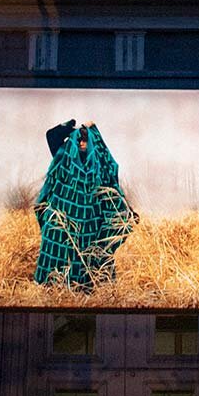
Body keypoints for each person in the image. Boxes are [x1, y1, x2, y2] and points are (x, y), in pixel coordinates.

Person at [34, 120, 138, 288]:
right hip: (63, 224)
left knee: (90, 262)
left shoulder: (99, 166)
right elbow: (51, 136)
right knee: (62, 259)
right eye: (79, 140)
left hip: (91, 225)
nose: (82, 144)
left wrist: (93, 130)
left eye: (85, 140)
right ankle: (58, 286)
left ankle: (86, 287)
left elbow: (110, 165)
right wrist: (70, 127)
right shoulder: (63, 159)